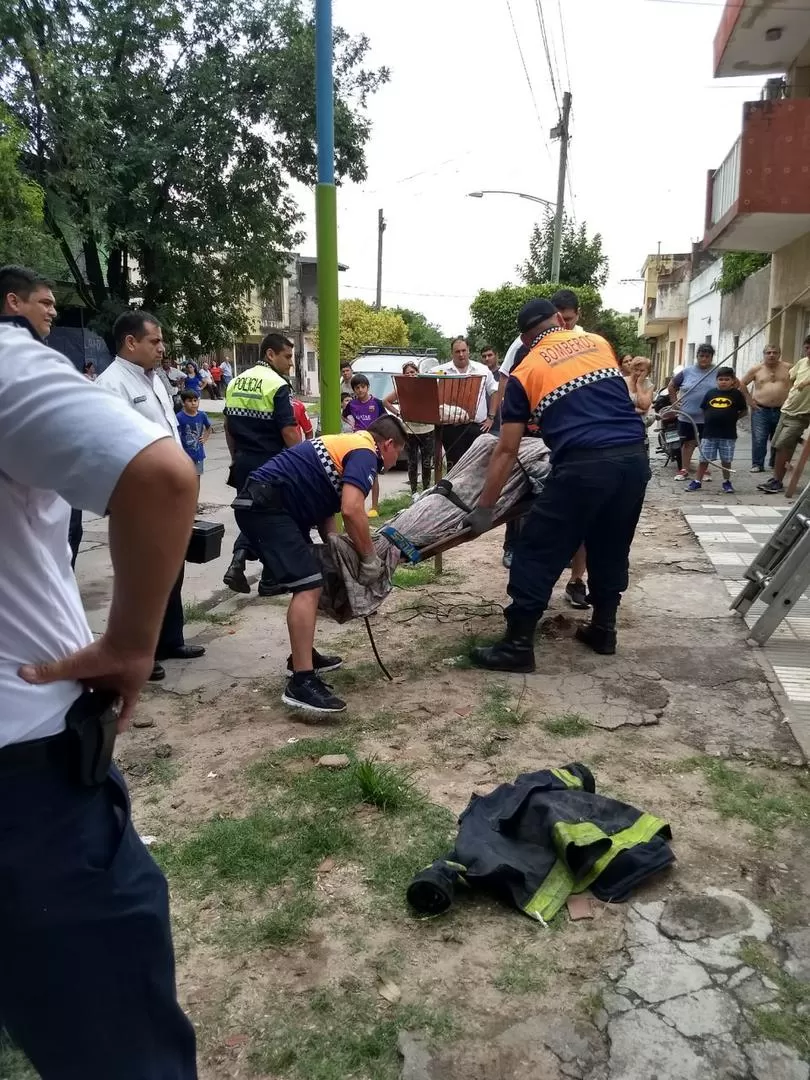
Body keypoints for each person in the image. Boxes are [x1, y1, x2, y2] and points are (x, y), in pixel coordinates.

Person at [0, 308, 198, 1078]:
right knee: (117, 1050)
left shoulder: (143, 382)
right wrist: (129, 644)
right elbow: (160, 476)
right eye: (35, 305)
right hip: (25, 783)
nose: (44, 316)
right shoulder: (14, 365)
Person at [466, 298, 649, 671]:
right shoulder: (599, 344)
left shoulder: (525, 371)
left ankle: (517, 646)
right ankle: (603, 629)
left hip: (584, 465)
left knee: (537, 548)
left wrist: (484, 509)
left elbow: (505, 449)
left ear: (525, 338)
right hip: (634, 459)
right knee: (610, 543)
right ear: (559, 321)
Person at [233, 417, 406, 713]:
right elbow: (352, 509)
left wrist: (335, 551)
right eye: (397, 454)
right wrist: (368, 558)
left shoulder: (347, 444)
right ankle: (301, 682)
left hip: (271, 503)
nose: (393, 462)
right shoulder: (366, 453)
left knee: (310, 578)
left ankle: (302, 657)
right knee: (309, 585)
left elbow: (328, 508)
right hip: (269, 508)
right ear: (387, 444)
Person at [97, 311, 205, 681]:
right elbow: (110, 448)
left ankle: (169, 640)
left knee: (171, 570)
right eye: (154, 342)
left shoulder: (155, 380)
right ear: (131, 342)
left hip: (168, 494)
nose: (162, 348)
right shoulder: (112, 385)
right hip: (139, 497)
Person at [492, 289, 589, 607]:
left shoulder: (586, 345)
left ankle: (575, 581)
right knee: (524, 514)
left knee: (577, 519)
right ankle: (524, 593)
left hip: (569, 448)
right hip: (531, 443)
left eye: (568, 320)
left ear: (569, 318)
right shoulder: (523, 353)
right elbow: (508, 384)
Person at [222, 332, 300, 593]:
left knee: (250, 516)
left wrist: (236, 458)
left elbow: (228, 426)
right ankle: (270, 579)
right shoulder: (276, 385)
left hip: (244, 462)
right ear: (270, 354)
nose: (291, 363)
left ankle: (238, 561)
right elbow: (289, 430)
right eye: (287, 356)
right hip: (272, 464)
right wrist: (302, 461)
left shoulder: (235, 382)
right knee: (273, 520)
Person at [430, 337, 497, 468]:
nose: (461, 354)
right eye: (457, 352)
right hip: (451, 429)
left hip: (477, 427)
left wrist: (491, 417)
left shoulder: (482, 370)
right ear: (452, 353)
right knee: (455, 467)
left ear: (468, 351)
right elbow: (427, 390)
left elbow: (495, 391)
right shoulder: (439, 371)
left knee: (478, 467)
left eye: (463, 351)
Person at [758, 335, 810, 494]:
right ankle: (775, 478)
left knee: (784, 445)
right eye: (807, 347)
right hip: (787, 409)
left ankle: (778, 481)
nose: (809, 351)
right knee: (777, 445)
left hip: (801, 414)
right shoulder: (802, 363)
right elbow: (792, 378)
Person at [685, 367, 747, 495]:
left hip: (728, 434)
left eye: (727, 379)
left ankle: (726, 481)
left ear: (733, 381)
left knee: (726, 460)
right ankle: (697, 481)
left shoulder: (737, 394)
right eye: (720, 379)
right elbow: (703, 409)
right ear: (716, 380)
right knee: (704, 458)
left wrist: (732, 418)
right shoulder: (711, 393)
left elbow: (744, 411)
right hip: (709, 433)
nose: (723, 382)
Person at [385, 360, 434, 497]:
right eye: (407, 373)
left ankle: (426, 489)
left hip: (427, 429)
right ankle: (413, 492)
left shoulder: (425, 386)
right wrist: (398, 413)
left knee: (426, 462)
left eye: (413, 372)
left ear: (417, 372)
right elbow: (386, 401)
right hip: (409, 431)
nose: (410, 375)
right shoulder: (402, 389)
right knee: (412, 462)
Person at [668, 344, 717, 481]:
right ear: (697, 356)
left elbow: (734, 384)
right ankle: (684, 469)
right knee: (688, 443)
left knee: (705, 443)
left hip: (708, 416)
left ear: (711, 357)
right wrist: (674, 401)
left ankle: (704, 470)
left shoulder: (718, 371)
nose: (704, 359)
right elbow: (672, 386)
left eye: (707, 356)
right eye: (701, 356)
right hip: (687, 415)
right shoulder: (687, 372)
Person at [740, 344, 792, 473]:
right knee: (759, 438)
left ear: (779, 354)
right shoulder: (757, 369)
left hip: (782, 409)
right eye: (768, 352)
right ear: (764, 354)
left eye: (775, 352)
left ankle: (775, 463)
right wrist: (749, 400)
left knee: (779, 438)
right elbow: (742, 383)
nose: (771, 355)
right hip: (761, 409)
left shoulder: (788, 368)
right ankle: (757, 464)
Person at [342, 373, 388, 517]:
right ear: (354, 389)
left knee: (373, 475)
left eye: (363, 387)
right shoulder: (352, 404)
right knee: (357, 474)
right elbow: (344, 415)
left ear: (368, 387)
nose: (360, 390)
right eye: (357, 387)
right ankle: (358, 506)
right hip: (357, 441)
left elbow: (385, 419)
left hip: (373, 442)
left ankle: (374, 507)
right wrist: (351, 423)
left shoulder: (377, 403)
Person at [176, 389, 212, 494]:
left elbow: (209, 427)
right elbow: (176, 433)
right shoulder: (179, 417)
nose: (193, 403)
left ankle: (194, 503)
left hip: (198, 454)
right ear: (183, 403)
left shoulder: (202, 415)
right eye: (190, 401)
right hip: (184, 455)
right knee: (184, 480)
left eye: (195, 400)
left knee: (196, 479)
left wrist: (204, 438)